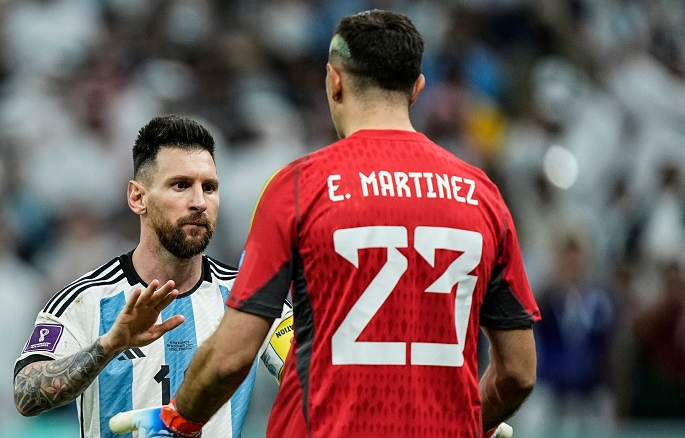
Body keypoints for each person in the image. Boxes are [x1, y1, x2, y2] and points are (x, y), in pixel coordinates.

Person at [123, 10, 540, 438]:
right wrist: (470, 426)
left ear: (334, 81)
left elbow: (230, 357)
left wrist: (179, 418)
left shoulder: (300, 188)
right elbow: (518, 374)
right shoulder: (481, 196)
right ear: (417, 89)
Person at [13, 115, 292, 438]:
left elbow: (312, 372)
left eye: (210, 187)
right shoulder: (86, 300)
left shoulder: (249, 296)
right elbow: (25, 394)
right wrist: (108, 346)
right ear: (137, 197)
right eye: (181, 185)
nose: (199, 202)